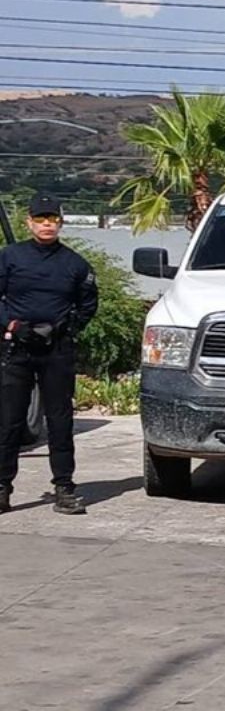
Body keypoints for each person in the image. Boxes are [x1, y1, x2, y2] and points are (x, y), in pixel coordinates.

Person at [0, 194, 98, 516]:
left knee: (59, 421)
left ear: (60, 223)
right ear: (28, 221)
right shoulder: (10, 257)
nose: (46, 224)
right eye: (40, 219)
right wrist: (13, 324)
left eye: (52, 219)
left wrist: (66, 329)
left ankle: (65, 489)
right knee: (10, 422)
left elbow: (88, 304)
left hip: (56, 352)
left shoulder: (75, 263)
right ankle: (2, 489)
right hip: (18, 350)